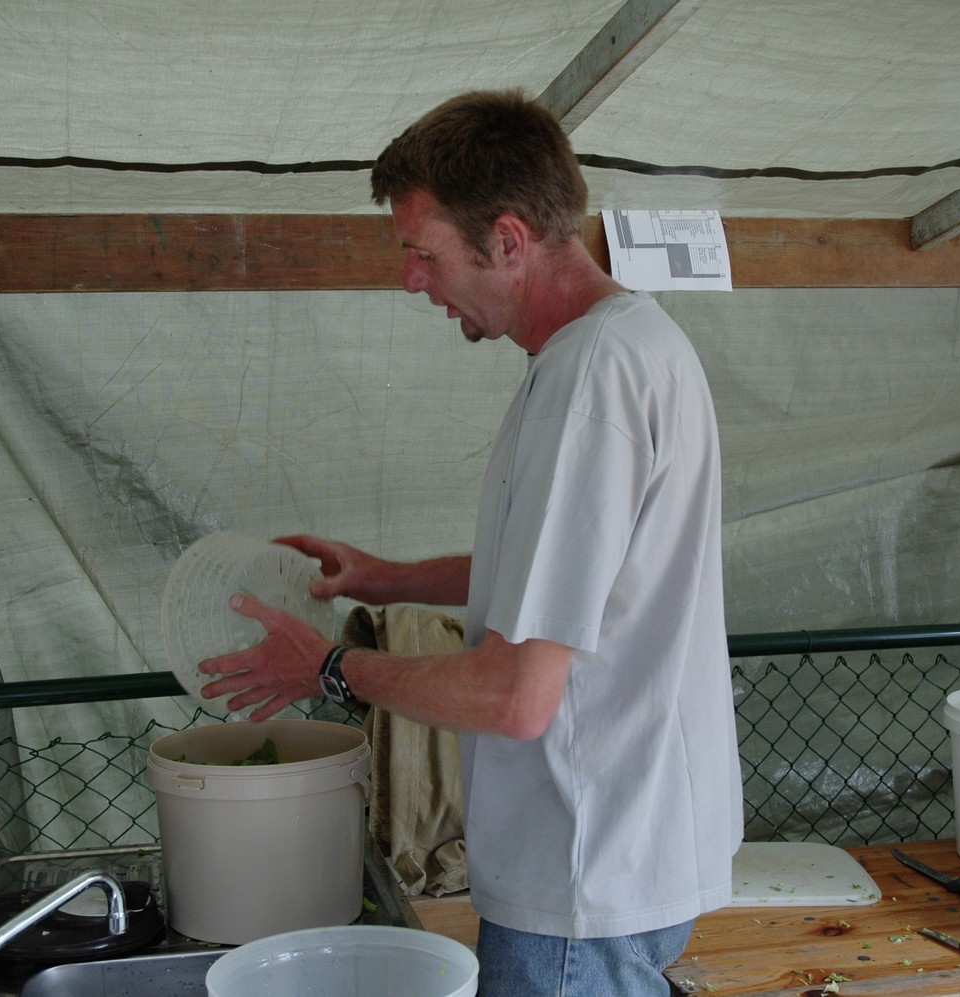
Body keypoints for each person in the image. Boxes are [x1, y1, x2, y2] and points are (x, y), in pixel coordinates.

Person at [198, 89, 743, 996]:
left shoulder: (588, 385)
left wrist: (328, 668)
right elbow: (581, 578)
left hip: (577, 875)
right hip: (630, 851)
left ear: (509, 240)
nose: (412, 281)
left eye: (425, 253)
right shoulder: (634, 346)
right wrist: (387, 578)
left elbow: (515, 695)